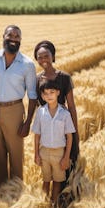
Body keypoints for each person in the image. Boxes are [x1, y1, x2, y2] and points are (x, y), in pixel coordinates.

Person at [0, 25, 37, 189]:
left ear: (20, 40)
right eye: (10, 35)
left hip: (15, 110)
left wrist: (27, 123)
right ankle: (1, 192)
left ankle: (17, 192)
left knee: (16, 154)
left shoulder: (27, 64)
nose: (13, 38)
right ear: (3, 36)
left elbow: (32, 96)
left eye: (17, 36)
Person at [33, 40, 79, 190]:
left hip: (62, 124)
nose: (43, 60)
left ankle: (63, 200)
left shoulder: (65, 78)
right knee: (46, 172)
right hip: (46, 125)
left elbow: (71, 106)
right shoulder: (37, 79)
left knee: (64, 166)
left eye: (46, 55)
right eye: (39, 57)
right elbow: (34, 103)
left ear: (53, 56)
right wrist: (28, 122)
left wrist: (74, 131)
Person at [32, 80, 76, 208]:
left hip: (59, 153)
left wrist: (66, 157)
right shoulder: (40, 112)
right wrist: (36, 154)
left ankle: (53, 205)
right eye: (46, 93)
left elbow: (69, 137)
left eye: (52, 92)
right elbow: (37, 135)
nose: (49, 95)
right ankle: (43, 204)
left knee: (57, 181)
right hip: (44, 152)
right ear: (42, 96)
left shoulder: (65, 114)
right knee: (45, 180)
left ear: (58, 93)